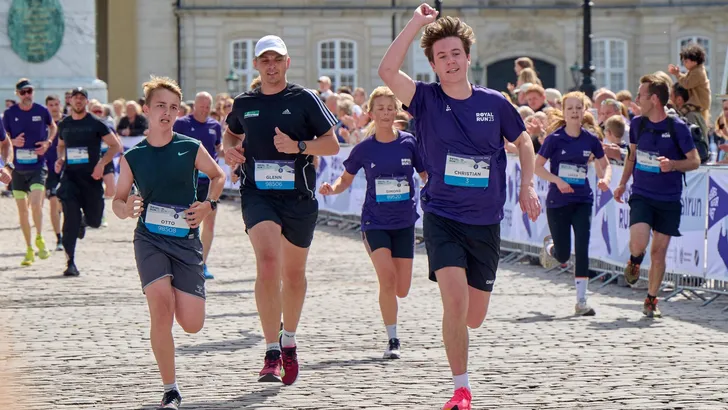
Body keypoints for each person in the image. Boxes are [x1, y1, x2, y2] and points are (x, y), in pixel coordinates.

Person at [378, 5, 541, 409]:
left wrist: (527, 185)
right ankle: (461, 389)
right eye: (441, 56)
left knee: (473, 316)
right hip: (442, 216)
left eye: (456, 54)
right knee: (454, 303)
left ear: (468, 57)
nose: (450, 62)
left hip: (485, 220)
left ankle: (461, 369)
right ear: (433, 64)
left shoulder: (495, 103)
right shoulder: (426, 99)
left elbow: (523, 141)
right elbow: (386, 72)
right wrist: (417, 23)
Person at [223, 34, 339, 385]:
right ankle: (271, 350)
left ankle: (289, 340)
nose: (271, 66)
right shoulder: (245, 103)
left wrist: (298, 145)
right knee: (268, 263)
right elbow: (229, 134)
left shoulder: (303, 98)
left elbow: (332, 144)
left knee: (293, 275)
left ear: (287, 63)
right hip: (258, 193)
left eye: (277, 60)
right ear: (256, 65)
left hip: (298, 197)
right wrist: (230, 150)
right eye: (264, 60)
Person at [113, 76, 224, 410]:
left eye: (173, 107)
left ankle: (181, 290)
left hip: (186, 240)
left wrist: (208, 205)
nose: (167, 112)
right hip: (149, 239)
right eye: (160, 106)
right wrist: (125, 208)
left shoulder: (189, 147)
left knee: (192, 324)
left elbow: (218, 177)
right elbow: (118, 201)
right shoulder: (134, 156)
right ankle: (170, 389)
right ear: (147, 109)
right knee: (160, 311)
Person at [319, 86, 426, 359]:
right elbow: (346, 178)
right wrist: (333, 187)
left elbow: (425, 175)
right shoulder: (364, 148)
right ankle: (392, 339)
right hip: (375, 222)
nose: (386, 113)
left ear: (396, 111)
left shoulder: (409, 143)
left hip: (403, 222)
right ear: (370, 113)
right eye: (381, 109)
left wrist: (440, 191)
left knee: (402, 288)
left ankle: (392, 329)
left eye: (391, 108)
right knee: (387, 280)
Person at [614, 74, 701, 318]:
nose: (637, 98)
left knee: (658, 252)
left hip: (669, 198)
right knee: (639, 243)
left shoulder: (677, 127)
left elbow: (694, 161)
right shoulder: (638, 125)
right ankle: (634, 259)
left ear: (653, 99)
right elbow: (632, 157)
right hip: (642, 193)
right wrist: (622, 184)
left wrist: (672, 164)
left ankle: (651, 299)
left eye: (641, 95)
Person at [535, 92, 612, 316]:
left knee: (583, 247)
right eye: (570, 109)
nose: (575, 112)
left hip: (582, 200)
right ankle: (550, 247)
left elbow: (605, 164)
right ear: (564, 112)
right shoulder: (554, 139)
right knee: (562, 255)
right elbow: (537, 167)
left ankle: (581, 301)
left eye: (579, 108)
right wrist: (557, 180)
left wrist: (605, 180)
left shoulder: (590, 139)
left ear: (585, 111)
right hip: (558, 202)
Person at [55, 87, 121, 276]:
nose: (78, 101)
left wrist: (101, 164)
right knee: (70, 220)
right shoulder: (64, 124)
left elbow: (115, 145)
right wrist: (60, 159)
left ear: (86, 101)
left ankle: (85, 222)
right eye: (75, 98)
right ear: (70, 101)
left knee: (95, 220)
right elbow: (61, 146)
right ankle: (70, 262)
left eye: (82, 98)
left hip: (91, 179)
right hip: (70, 179)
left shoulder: (95, 123)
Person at [2, 78, 56, 266]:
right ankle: (28, 248)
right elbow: (4, 137)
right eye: (23, 92)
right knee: (22, 211)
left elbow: (53, 127)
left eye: (30, 91)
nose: (27, 95)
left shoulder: (41, 110)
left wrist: (48, 142)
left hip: (37, 166)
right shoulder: (10, 113)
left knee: (35, 204)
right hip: (17, 168)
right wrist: (13, 142)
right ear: (17, 94)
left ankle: (40, 237)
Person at [173, 91, 222, 280]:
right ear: (195, 106)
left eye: (208, 107)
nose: (204, 110)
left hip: (209, 183)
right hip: (186, 181)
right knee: (186, 221)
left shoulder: (215, 125)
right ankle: (182, 261)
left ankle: (202, 263)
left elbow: (218, 149)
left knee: (209, 222)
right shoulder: (182, 123)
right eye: (201, 106)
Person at [44, 95, 66, 250]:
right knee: (53, 201)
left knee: (65, 204)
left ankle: (70, 229)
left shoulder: (67, 122)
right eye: (51, 105)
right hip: (49, 169)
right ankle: (59, 238)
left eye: (56, 104)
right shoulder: (43, 124)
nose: (54, 107)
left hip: (68, 168)